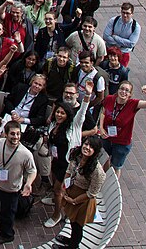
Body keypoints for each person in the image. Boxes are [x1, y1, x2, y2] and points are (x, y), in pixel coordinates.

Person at [0, 121, 37, 245]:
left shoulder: (25, 154)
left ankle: (7, 235)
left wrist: (28, 183)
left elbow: (32, 171)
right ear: (5, 133)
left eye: (18, 134)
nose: (15, 137)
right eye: (12, 134)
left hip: (11, 189)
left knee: (7, 214)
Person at [42, 81, 92, 228]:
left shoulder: (74, 125)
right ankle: (55, 198)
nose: (59, 114)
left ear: (67, 114)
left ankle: (57, 215)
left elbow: (82, 110)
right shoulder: (54, 124)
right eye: (57, 112)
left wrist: (87, 95)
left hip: (67, 164)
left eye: (62, 113)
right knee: (54, 185)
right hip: (56, 159)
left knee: (59, 189)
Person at [53, 136, 106, 249]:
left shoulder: (97, 171)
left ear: (95, 151)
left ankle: (73, 246)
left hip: (82, 200)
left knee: (77, 226)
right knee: (72, 221)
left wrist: (74, 201)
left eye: (91, 147)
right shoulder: (77, 156)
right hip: (71, 191)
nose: (87, 147)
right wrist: (64, 188)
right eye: (86, 144)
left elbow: (91, 193)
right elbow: (69, 171)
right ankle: (72, 239)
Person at [98, 81, 146, 176]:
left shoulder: (133, 104)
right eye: (122, 89)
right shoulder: (109, 99)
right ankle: (102, 178)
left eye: (127, 90)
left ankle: (112, 185)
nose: (123, 92)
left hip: (122, 142)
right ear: (118, 90)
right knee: (103, 159)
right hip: (106, 137)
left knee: (116, 166)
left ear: (130, 94)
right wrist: (101, 128)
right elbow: (103, 112)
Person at [102, 2, 140, 67]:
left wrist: (115, 37)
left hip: (123, 52)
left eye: (127, 13)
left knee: (120, 72)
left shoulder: (136, 27)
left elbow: (131, 44)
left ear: (132, 14)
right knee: (105, 68)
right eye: (123, 12)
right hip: (110, 50)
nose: (125, 15)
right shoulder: (113, 20)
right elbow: (106, 36)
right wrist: (122, 43)